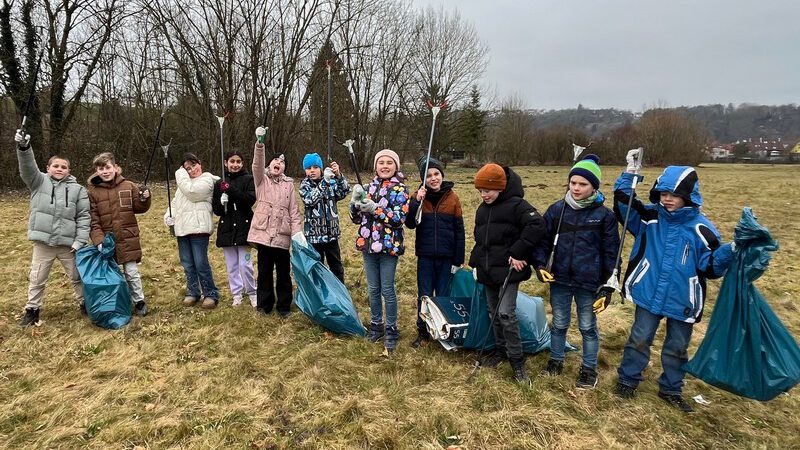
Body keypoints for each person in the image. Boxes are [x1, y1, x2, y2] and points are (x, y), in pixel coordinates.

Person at [612, 148, 734, 412]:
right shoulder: (649, 218)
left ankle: (671, 388)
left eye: (674, 195)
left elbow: (711, 267)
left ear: (688, 197)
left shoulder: (702, 229)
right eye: (663, 194)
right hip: (648, 292)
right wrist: (630, 173)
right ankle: (628, 379)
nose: (667, 200)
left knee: (678, 347)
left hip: (682, 300)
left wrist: (732, 251)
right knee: (639, 338)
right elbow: (624, 204)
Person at [532, 155, 619, 389]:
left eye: (583, 184)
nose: (576, 188)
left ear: (594, 186)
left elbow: (612, 253)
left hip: (589, 283)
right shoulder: (557, 210)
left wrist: (608, 287)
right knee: (559, 323)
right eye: (573, 183)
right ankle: (556, 360)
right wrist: (540, 265)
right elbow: (542, 241)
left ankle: (588, 369)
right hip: (559, 279)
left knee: (587, 327)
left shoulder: (605, 216)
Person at [469, 163, 546, 385]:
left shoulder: (518, 206)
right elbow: (481, 239)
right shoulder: (482, 210)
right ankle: (500, 352)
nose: (484, 195)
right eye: (480, 191)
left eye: (488, 190)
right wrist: (475, 262)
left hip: (509, 272)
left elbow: (536, 225)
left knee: (506, 314)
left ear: (501, 187)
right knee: (493, 312)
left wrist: (518, 252)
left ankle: (517, 361)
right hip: (488, 270)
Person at [14, 129, 90, 327]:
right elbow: (27, 167)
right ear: (48, 168)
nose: (59, 169)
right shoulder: (38, 182)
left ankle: (86, 305)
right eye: (55, 165)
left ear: (69, 171)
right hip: (43, 243)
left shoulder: (78, 190)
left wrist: (79, 241)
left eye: (64, 167)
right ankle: (32, 310)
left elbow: (83, 217)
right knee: (37, 277)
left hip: (69, 244)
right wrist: (24, 148)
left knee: (77, 276)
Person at [350, 149, 410, 354]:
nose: (385, 166)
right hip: (368, 244)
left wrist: (375, 208)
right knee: (373, 289)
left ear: (396, 166)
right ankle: (377, 324)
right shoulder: (368, 187)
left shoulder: (401, 190)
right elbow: (357, 219)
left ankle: (392, 328)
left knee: (387, 289)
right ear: (375, 166)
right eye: (381, 162)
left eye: (389, 163)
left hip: (388, 246)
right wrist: (355, 202)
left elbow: (398, 219)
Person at [405, 156, 465, 348]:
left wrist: (458, 258)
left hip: (447, 257)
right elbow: (410, 223)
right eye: (429, 175)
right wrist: (417, 202)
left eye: (436, 174)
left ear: (442, 175)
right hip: (425, 256)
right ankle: (423, 333)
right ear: (424, 179)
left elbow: (459, 231)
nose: (433, 178)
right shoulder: (417, 197)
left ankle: (443, 332)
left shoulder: (453, 198)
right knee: (424, 295)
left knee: (443, 295)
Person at [87, 152, 152, 316]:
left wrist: (144, 199)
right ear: (96, 171)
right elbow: (93, 221)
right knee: (113, 275)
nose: (105, 171)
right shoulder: (93, 192)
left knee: (131, 273)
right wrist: (99, 240)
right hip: (108, 241)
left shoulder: (128, 186)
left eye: (108, 167)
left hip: (127, 238)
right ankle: (118, 303)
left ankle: (139, 301)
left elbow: (139, 207)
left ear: (115, 168)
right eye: (101, 168)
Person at [248, 127, 302, 317]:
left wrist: (297, 235)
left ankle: (284, 306)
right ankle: (264, 305)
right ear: (269, 164)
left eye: (282, 162)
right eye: (275, 161)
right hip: (263, 235)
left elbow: (294, 211)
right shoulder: (261, 179)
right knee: (263, 272)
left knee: (283, 273)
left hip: (282, 236)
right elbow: (257, 163)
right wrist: (260, 144)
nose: (278, 163)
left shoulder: (289, 185)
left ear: (284, 167)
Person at [165, 153, 220, 309]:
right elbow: (175, 204)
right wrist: (168, 217)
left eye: (194, 165)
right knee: (188, 263)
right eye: (187, 168)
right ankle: (193, 291)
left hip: (198, 228)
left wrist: (180, 173)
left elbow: (193, 193)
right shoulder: (183, 185)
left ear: (200, 164)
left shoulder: (208, 179)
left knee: (201, 262)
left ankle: (210, 293)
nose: (192, 170)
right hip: (182, 229)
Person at [212, 150, 257, 308]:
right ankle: (236, 293)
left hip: (244, 227)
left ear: (242, 163)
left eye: (238, 161)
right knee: (232, 266)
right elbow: (216, 210)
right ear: (226, 163)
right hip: (227, 229)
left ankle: (252, 292)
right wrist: (221, 201)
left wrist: (230, 190)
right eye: (232, 161)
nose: (235, 164)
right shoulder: (219, 183)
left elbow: (249, 200)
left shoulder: (249, 179)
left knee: (245, 265)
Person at [298, 152, 351, 283]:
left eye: (315, 167)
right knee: (317, 269)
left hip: (332, 235)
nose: (312, 170)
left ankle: (339, 295)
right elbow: (310, 200)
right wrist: (325, 182)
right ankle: (320, 297)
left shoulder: (331, 182)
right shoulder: (305, 185)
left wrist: (338, 175)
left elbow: (344, 191)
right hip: (314, 237)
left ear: (321, 168)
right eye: (308, 168)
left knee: (336, 268)